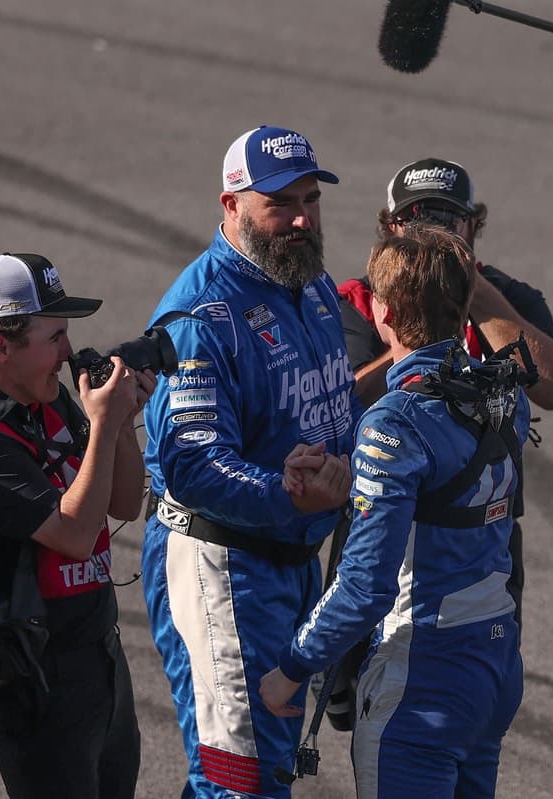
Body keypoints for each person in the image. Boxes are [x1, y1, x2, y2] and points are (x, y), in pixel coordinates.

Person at [261, 226, 528, 797]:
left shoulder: (395, 423)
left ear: (382, 311)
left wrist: (291, 669)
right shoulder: (506, 396)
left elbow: (364, 584)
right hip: (497, 655)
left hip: (423, 670)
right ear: (464, 309)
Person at [141, 124, 356, 798]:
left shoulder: (311, 285)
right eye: (279, 204)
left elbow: (335, 401)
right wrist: (291, 494)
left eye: (310, 200)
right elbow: (193, 466)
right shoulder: (200, 318)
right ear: (230, 205)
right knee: (241, 782)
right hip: (224, 565)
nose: (300, 218)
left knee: (256, 771)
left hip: (292, 563)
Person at [0, 253, 153, 799]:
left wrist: (118, 428)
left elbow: (122, 504)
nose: (69, 352)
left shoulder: (42, 400)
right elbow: (71, 536)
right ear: (0, 346)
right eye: (56, 337)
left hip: (97, 654)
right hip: (38, 676)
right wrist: (104, 421)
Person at [337, 157, 553, 631]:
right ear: (389, 227)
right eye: (417, 218)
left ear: (472, 226)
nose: (432, 232)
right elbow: (342, 408)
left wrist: (474, 295)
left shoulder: (507, 298)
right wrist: (425, 330)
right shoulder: (361, 301)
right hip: (381, 517)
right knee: (349, 686)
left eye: (447, 219)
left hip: (484, 533)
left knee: (477, 683)